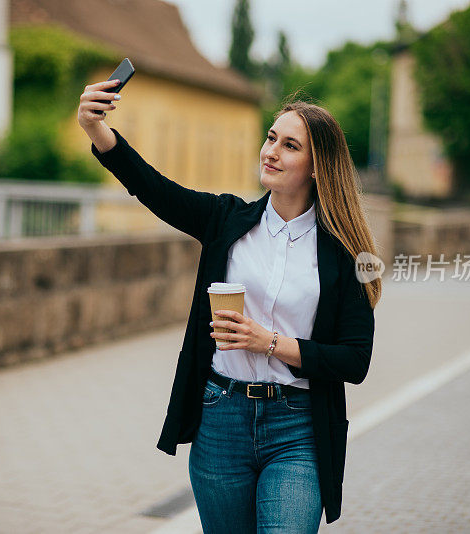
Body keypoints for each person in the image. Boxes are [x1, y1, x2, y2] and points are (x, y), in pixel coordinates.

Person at [77, 78, 381, 533]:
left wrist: (271, 343)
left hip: (297, 429)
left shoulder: (348, 253)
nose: (271, 151)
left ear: (318, 168)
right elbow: (154, 189)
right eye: (271, 137)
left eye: (290, 145)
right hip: (222, 420)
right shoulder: (226, 219)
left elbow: (355, 360)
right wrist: (96, 128)